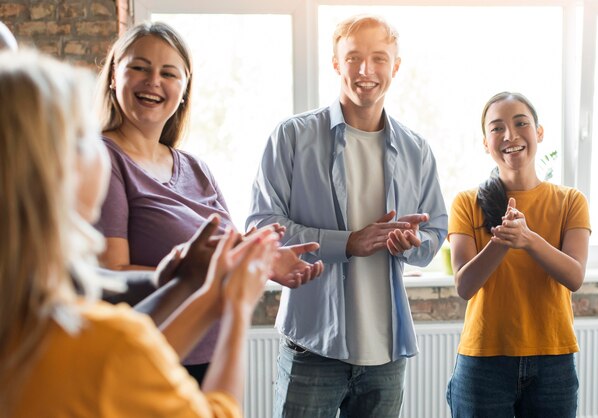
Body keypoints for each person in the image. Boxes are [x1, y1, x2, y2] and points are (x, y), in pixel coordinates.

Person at [0, 49, 278, 418]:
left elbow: (126, 367)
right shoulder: (101, 339)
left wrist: (206, 292)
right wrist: (239, 308)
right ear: (52, 171)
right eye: (84, 135)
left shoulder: (27, 322)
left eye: (169, 73)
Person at [94, 22, 322, 383]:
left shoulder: (196, 168)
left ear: (183, 90)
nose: (153, 80)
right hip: (149, 358)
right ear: (112, 76)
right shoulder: (101, 160)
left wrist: (263, 260)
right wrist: (185, 273)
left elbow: (223, 257)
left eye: (168, 73)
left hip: (209, 356)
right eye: (139, 67)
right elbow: (107, 278)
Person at [247, 14, 448, 417]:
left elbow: (435, 234)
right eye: (353, 57)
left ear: (395, 66)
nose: (366, 70)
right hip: (312, 348)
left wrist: (413, 244)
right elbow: (261, 229)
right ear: (336, 63)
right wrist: (348, 243)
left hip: (386, 355)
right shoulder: (291, 137)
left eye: (378, 58)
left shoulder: (417, 150)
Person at [446, 92, 591, 417]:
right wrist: (501, 242)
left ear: (539, 132)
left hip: (553, 360)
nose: (510, 135)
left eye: (520, 123)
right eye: (497, 128)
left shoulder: (570, 201)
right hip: (483, 360)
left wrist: (528, 239)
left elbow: (574, 277)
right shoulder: (466, 203)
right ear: (486, 143)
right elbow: (464, 286)